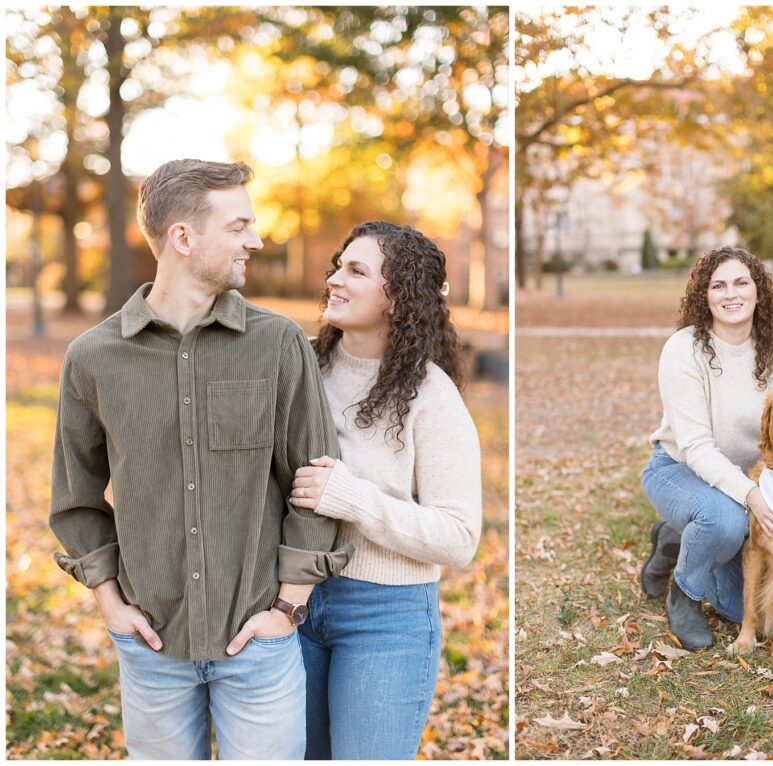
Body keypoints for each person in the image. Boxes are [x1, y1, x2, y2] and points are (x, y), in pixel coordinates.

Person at [49, 159, 351, 759]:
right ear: (183, 238)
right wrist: (111, 604)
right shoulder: (93, 359)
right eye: (239, 226)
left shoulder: (277, 343)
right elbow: (76, 499)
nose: (256, 240)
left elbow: (315, 481)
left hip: (259, 647)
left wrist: (288, 607)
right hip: (151, 650)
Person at [288, 221, 482, 759]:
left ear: (396, 296)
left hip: (385, 615)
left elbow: (459, 537)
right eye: (337, 266)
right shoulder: (301, 366)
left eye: (356, 271)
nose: (334, 280)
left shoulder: (430, 395)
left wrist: (351, 498)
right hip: (289, 604)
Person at [639, 246, 773, 649]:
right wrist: (750, 497)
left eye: (741, 283)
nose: (731, 294)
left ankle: (676, 540)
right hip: (679, 469)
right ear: (705, 296)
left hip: (752, 482)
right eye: (719, 285)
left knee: (741, 608)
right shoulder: (684, 349)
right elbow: (695, 446)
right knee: (725, 520)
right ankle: (685, 593)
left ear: (758, 291)